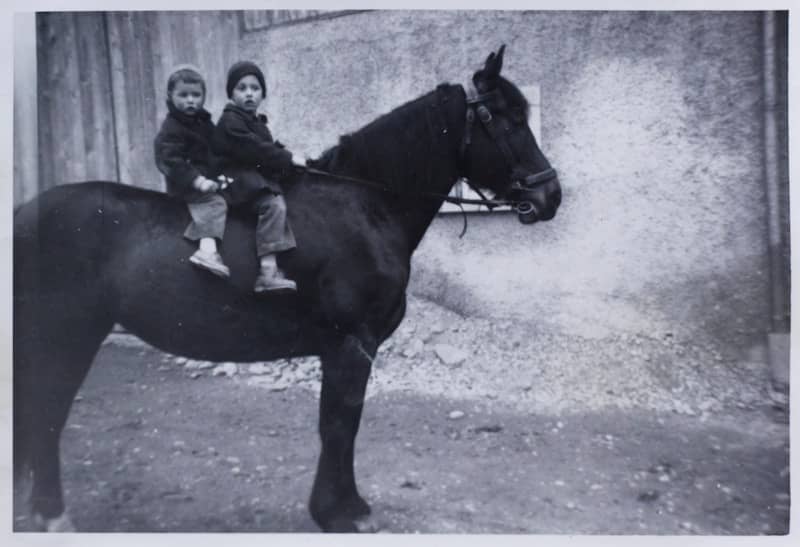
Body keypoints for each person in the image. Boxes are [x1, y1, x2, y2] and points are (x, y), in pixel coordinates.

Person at [213, 60, 298, 293]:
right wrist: (286, 158)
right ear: (231, 93)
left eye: (254, 88)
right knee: (274, 205)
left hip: (248, 176)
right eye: (241, 88)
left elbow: (265, 151)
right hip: (234, 180)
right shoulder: (230, 121)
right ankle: (267, 271)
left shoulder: (255, 122)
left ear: (262, 94)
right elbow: (254, 149)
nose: (249, 93)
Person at [154, 64, 230, 278]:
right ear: (171, 95)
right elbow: (170, 160)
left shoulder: (203, 122)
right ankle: (207, 251)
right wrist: (197, 180)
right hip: (186, 185)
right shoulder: (172, 127)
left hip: (207, 178)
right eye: (183, 95)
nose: (190, 100)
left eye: (196, 95)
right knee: (214, 203)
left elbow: (216, 149)